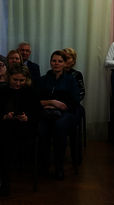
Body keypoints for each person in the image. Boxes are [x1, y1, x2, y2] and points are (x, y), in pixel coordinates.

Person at [0, 64, 42, 195]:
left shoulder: (30, 92)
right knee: (0, 139)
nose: (18, 83)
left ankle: (5, 179)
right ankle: (4, 180)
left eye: (21, 80)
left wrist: (27, 117)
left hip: (25, 128)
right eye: (15, 80)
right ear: (9, 77)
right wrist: (5, 116)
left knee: (6, 141)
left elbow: (39, 113)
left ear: (26, 79)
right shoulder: (1, 92)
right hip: (5, 127)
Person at [38, 51, 81, 179]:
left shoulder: (70, 80)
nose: (56, 63)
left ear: (64, 63)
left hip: (66, 112)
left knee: (59, 126)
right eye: (54, 61)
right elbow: (36, 100)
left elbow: (75, 101)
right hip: (46, 112)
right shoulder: (43, 79)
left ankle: (59, 167)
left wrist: (58, 105)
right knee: (42, 128)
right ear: (50, 62)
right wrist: (51, 103)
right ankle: (44, 166)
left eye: (60, 61)